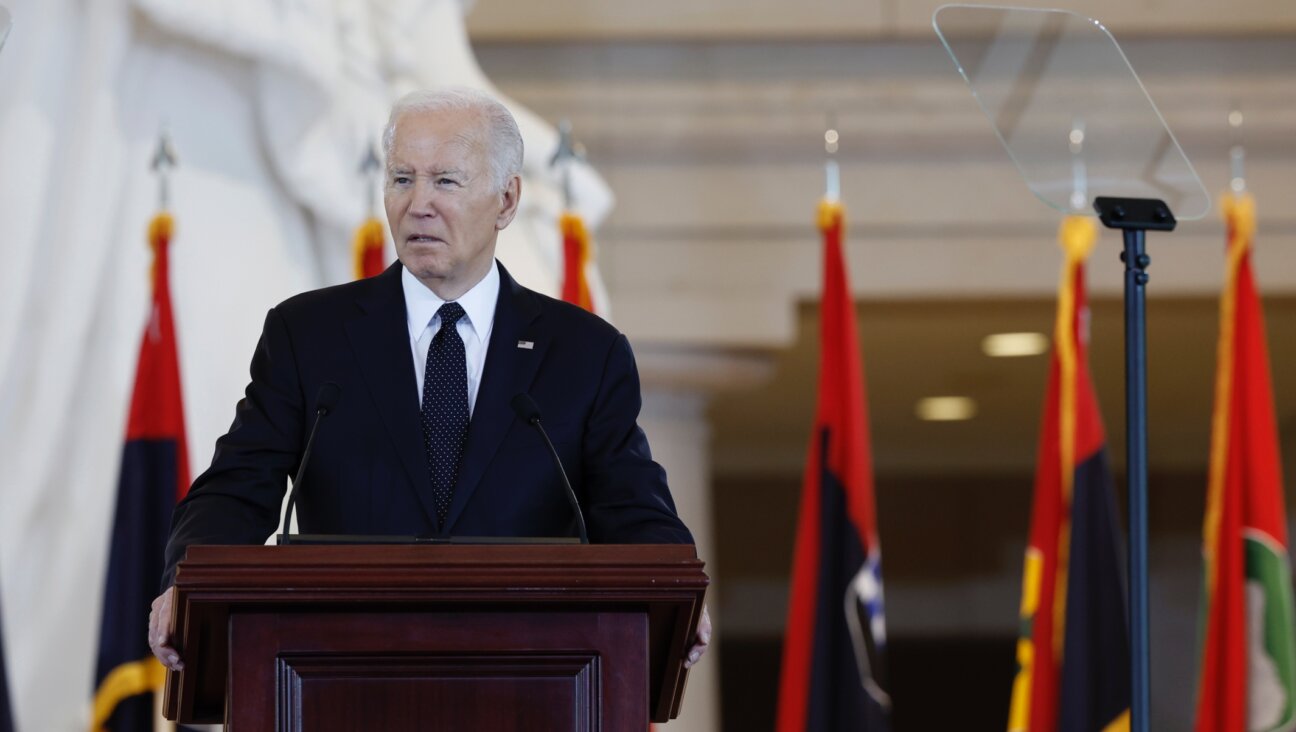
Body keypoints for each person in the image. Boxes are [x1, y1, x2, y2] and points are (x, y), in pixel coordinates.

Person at [148, 87, 711, 672]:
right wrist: (184, 581)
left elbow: (633, 506)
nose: (418, 203)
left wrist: (677, 592)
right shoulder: (309, 334)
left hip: (531, 675)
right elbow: (235, 489)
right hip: (341, 673)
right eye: (401, 180)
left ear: (507, 199)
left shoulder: (584, 353)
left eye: (445, 181)